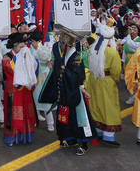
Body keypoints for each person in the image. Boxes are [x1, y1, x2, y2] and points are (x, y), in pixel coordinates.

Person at [40, 26, 97, 156]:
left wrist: (63, 70)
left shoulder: (76, 57)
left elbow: (79, 76)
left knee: (79, 118)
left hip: (74, 92)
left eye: (62, 44)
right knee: (65, 118)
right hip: (64, 91)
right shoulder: (61, 55)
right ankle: (70, 139)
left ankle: (83, 143)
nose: (60, 46)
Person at [85, 25, 123, 146]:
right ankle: (108, 136)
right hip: (106, 81)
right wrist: (114, 80)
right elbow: (116, 72)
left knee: (96, 106)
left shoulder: (91, 48)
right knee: (109, 108)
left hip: (93, 80)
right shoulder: (112, 53)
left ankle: (98, 131)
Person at [1, 32, 38, 146]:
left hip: (24, 89)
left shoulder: (26, 55)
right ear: (14, 46)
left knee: (25, 111)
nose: (23, 49)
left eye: (24, 46)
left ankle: (25, 136)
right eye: (21, 47)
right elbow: (11, 70)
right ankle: (12, 137)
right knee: (14, 113)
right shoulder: (7, 57)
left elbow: (35, 65)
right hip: (13, 88)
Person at [28, 28, 55, 132]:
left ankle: (50, 123)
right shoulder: (29, 49)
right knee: (34, 99)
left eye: (33, 41)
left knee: (46, 100)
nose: (31, 43)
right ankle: (36, 118)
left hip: (44, 76)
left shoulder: (44, 48)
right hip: (34, 76)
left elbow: (46, 58)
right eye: (31, 41)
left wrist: (37, 48)